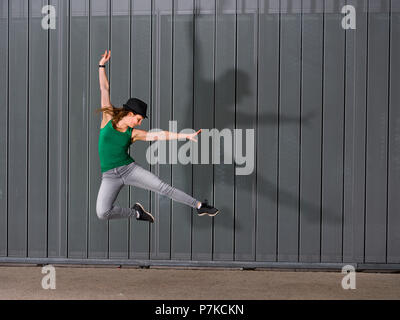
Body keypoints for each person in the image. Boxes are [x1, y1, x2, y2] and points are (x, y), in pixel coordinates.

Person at [95, 50, 219, 223]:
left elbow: (159, 135)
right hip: (109, 176)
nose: (139, 123)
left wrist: (184, 135)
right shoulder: (107, 118)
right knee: (102, 212)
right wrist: (102, 65)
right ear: (130, 113)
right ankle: (137, 213)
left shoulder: (134, 133)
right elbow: (104, 88)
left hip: (129, 170)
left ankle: (199, 206)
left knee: (163, 188)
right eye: (138, 119)